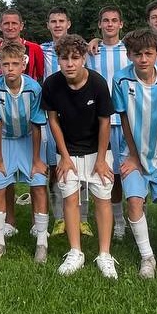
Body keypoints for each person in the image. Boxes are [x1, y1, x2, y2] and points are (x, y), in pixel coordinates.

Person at [112, 29, 157, 281]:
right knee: (134, 201)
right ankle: (148, 257)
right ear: (129, 55)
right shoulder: (121, 79)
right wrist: (133, 156)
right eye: (137, 54)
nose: (143, 59)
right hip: (133, 151)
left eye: (148, 53)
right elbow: (124, 118)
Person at [41, 34, 116, 278]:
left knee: (102, 198)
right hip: (67, 150)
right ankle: (76, 252)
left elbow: (105, 122)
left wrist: (102, 159)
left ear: (84, 58)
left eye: (75, 57)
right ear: (58, 60)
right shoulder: (51, 84)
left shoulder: (98, 83)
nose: (70, 63)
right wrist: (64, 156)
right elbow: (53, 121)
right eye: (65, 58)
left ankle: (104, 254)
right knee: (70, 198)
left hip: (97, 150)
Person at [0, 41, 49, 263]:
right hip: (4, 139)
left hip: (29, 139)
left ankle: (42, 242)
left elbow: (37, 123)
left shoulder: (34, 88)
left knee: (38, 184)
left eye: (14, 64)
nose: (10, 68)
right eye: (5, 64)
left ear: (23, 64)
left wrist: (37, 159)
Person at [87, 6, 130, 241]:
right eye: (106, 20)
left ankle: (137, 217)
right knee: (109, 174)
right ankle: (118, 221)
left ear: (121, 24)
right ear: (100, 24)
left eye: (114, 20)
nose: (110, 24)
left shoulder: (130, 50)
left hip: (128, 120)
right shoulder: (91, 51)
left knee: (131, 170)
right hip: (101, 121)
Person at [41, 6, 72, 235]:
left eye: (61, 21)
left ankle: (80, 218)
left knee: (78, 166)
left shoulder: (81, 47)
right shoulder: (40, 49)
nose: (58, 25)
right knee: (54, 167)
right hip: (50, 116)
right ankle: (59, 217)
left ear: (68, 24)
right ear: (48, 25)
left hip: (76, 116)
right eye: (53, 21)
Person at [0, 9, 45, 82]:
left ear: (21, 26)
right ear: (0, 26)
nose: (10, 27)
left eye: (14, 23)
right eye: (6, 23)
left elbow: (40, 75)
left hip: (29, 89)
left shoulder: (35, 49)